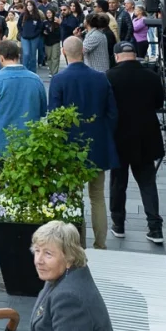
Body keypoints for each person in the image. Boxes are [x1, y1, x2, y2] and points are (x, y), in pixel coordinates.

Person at [0, 39, 47, 257]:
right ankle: (27, 236)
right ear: (19, 55)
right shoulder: (35, 79)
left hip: (0, 144)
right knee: (28, 191)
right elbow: (43, 110)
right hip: (29, 147)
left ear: (0, 57)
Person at [48, 37, 118, 249]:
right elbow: (112, 113)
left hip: (70, 148)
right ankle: (101, 244)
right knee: (97, 197)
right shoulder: (100, 78)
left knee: (73, 197)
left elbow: (54, 118)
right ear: (83, 52)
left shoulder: (59, 79)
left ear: (63, 52)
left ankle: (78, 245)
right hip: (97, 145)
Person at [106, 41, 165, 244]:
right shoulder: (151, 76)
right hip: (146, 136)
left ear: (117, 56)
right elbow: (159, 103)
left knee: (118, 183)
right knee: (148, 183)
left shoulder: (110, 76)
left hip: (120, 137)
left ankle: (118, 224)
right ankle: (155, 228)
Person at [17, 2, 45, 74]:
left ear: (33, 6)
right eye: (27, 5)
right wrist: (22, 33)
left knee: (33, 55)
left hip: (34, 38)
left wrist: (36, 34)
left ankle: (33, 72)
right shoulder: (23, 15)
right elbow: (19, 25)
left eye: (30, 5)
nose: (29, 6)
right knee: (26, 54)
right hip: (25, 37)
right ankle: (24, 71)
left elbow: (40, 27)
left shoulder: (37, 15)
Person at [41, 7, 62, 76]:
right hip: (47, 42)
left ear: (53, 13)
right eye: (47, 13)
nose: (49, 14)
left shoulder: (56, 22)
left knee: (55, 57)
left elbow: (60, 32)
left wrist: (51, 31)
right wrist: (44, 32)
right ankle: (51, 71)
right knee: (49, 57)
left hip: (55, 41)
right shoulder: (44, 22)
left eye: (50, 13)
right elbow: (41, 31)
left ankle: (54, 73)